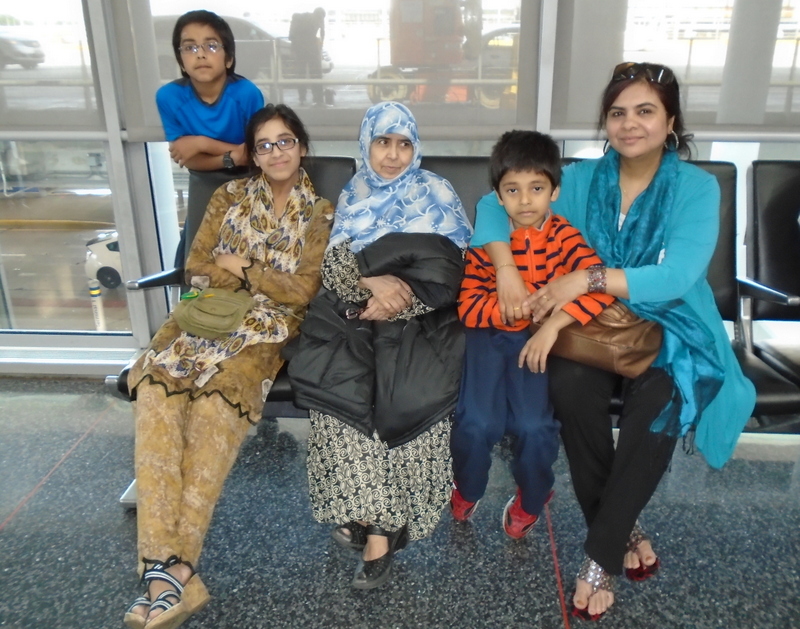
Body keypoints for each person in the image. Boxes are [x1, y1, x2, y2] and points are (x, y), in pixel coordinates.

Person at [471, 62, 756, 620]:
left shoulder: (697, 187)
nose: (630, 124)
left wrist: (588, 277)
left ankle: (599, 556)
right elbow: (490, 204)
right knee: (570, 384)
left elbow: (676, 277)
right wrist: (505, 268)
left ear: (670, 122)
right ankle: (623, 527)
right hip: (590, 327)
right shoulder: (579, 179)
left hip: (672, 325)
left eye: (645, 111)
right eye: (618, 112)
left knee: (662, 399)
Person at [123, 104, 333, 629]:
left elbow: (304, 289)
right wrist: (251, 277)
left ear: (301, 147)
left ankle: (164, 577)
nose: (277, 152)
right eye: (265, 144)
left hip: (263, 333)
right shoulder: (228, 197)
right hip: (200, 322)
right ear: (253, 155)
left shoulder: (320, 212)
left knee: (212, 414)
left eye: (285, 141)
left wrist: (242, 267)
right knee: (154, 395)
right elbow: (195, 267)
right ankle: (172, 575)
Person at [288, 101, 473, 589]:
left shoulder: (436, 191)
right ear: (366, 145)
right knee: (341, 392)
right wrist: (370, 284)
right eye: (382, 143)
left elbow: (453, 269)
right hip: (357, 314)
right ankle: (366, 510)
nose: (393, 155)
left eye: (404, 144)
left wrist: (400, 297)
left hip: (424, 322)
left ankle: (382, 529)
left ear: (417, 148)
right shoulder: (355, 192)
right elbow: (336, 265)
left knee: (406, 393)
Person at [451, 131, 614, 538]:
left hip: (537, 343)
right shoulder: (486, 246)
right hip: (488, 339)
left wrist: (552, 323)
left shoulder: (565, 238)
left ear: (554, 191)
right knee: (475, 423)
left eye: (536, 188)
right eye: (513, 190)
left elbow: (600, 287)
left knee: (534, 427)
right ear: (498, 197)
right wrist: (506, 311)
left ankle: (533, 495)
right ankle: (467, 487)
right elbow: (467, 306)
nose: (525, 201)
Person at [156, 10, 265, 267]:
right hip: (204, 182)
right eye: (189, 47)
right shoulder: (168, 97)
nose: (201, 54)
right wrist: (231, 156)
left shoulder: (246, 94)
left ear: (229, 58)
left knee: (248, 259)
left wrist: (202, 143)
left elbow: (256, 154)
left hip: (250, 183)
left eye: (212, 45)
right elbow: (187, 159)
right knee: (194, 261)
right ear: (181, 61)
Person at [289, 7, 326, 107]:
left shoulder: (299, 18)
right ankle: (318, 98)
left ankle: (302, 98)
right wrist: (320, 46)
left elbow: (291, 36)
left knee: (301, 74)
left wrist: (293, 48)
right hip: (311, 49)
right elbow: (322, 33)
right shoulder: (317, 17)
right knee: (316, 74)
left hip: (299, 49)